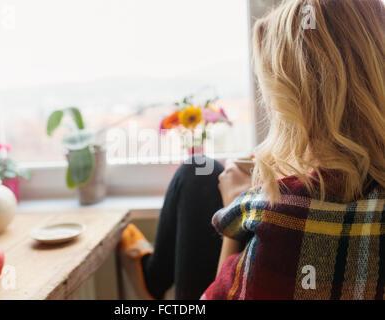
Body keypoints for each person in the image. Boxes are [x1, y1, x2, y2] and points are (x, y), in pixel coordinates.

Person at [119, 0, 385, 300]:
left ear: (291, 103)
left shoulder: (280, 215)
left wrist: (236, 209)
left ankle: (151, 277)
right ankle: (152, 276)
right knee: (200, 172)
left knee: (197, 174)